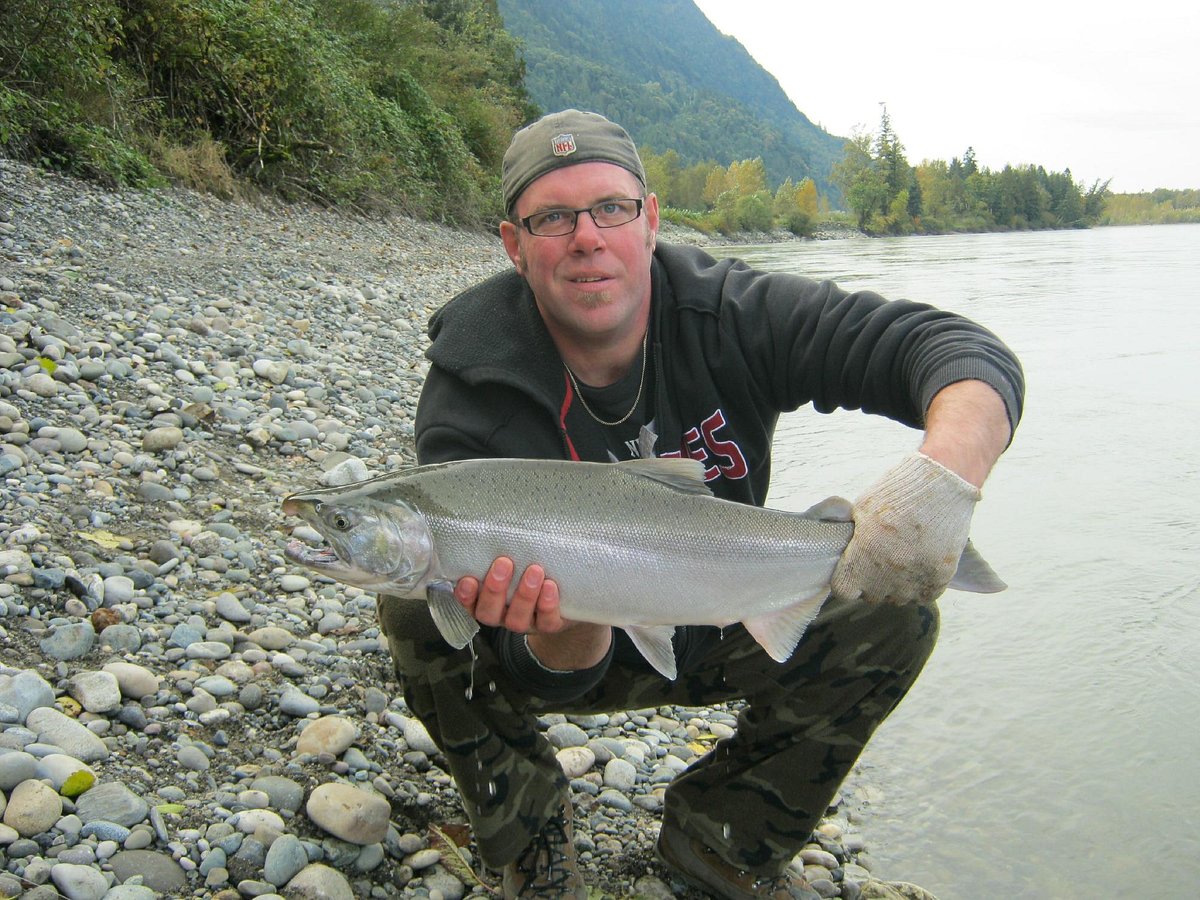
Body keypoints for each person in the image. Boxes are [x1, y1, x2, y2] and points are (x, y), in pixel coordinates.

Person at [377, 109, 1023, 899]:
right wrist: (574, 631)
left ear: (650, 221)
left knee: (896, 612)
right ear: (514, 245)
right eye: (553, 218)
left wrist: (940, 482)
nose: (587, 236)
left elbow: (956, 351)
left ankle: (721, 839)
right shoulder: (471, 393)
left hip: (726, 607)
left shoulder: (734, 312)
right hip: (571, 636)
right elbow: (540, 676)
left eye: (611, 207)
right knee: (416, 611)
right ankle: (528, 828)